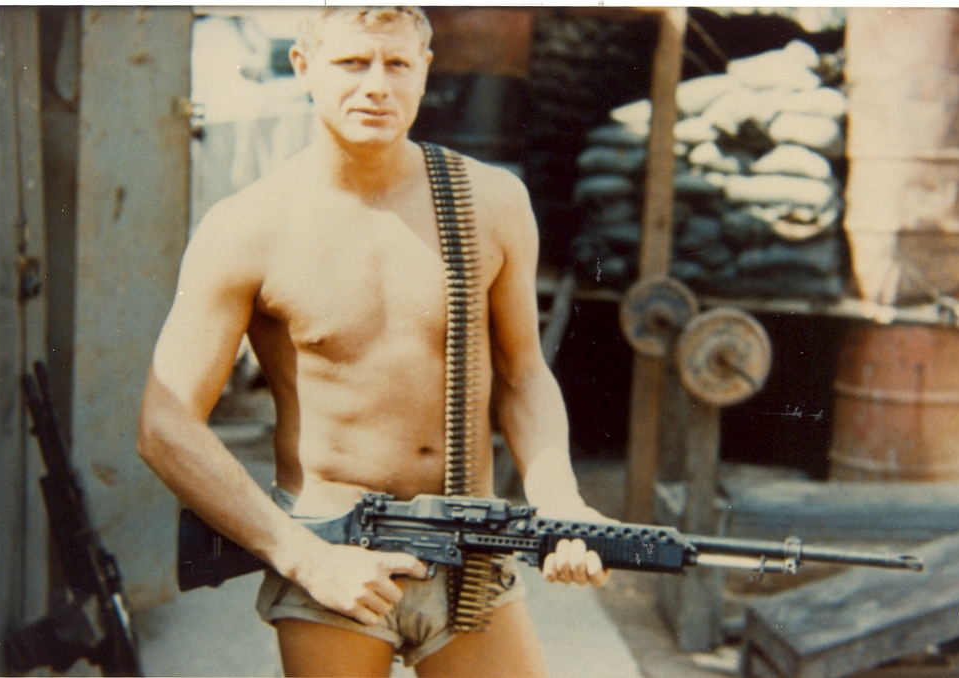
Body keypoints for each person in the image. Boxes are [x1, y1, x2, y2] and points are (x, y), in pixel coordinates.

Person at [137, 7, 611, 677]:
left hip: (469, 550)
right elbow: (163, 424)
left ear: (426, 70)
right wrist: (305, 558)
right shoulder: (247, 226)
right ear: (304, 67)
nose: (377, 87)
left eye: (397, 64)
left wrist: (559, 500)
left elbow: (523, 373)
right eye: (353, 63)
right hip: (334, 556)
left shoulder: (492, 201)